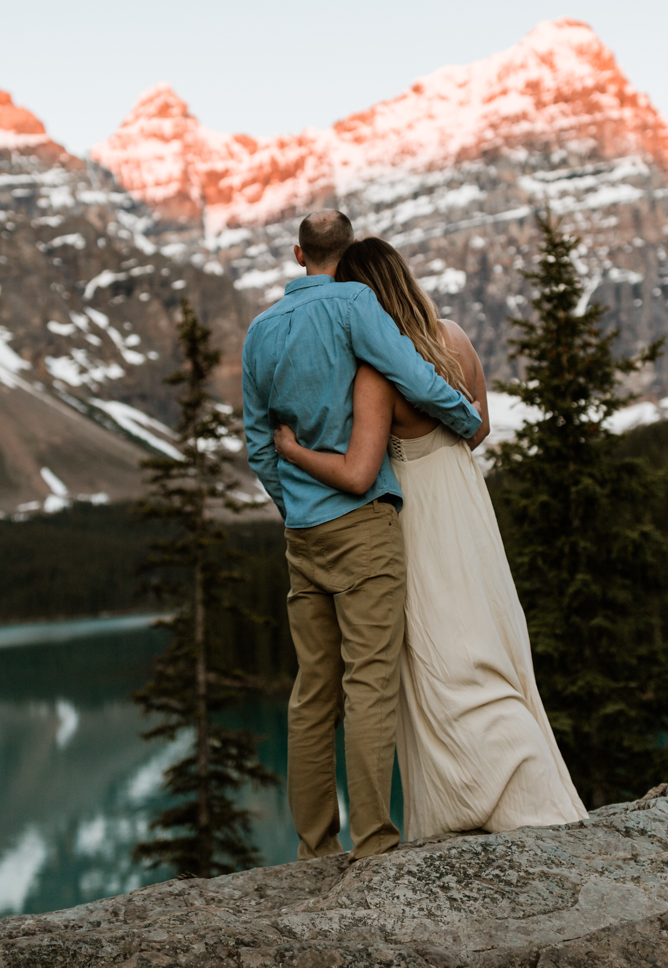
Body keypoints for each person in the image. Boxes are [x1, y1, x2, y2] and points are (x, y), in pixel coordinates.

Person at [270, 236, 587, 842]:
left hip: (412, 509)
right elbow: (479, 426)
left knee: (435, 648)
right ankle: (522, 778)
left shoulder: (377, 368)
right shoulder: (455, 337)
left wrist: (292, 450)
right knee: (482, 630)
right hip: (465, 499)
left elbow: (359, 470)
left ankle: (466, 797)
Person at [242, 211, 481, 861]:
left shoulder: (261, 330)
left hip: (303, 534)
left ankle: (316, 849)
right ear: (345, 253)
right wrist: (463, 420)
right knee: (369, 683)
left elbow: (258, 444)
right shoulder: (357, 302)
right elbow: (408, 373)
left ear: (298, 254)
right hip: (363, 527)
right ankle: (375, 843)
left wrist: (293, 506)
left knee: (312, 691)